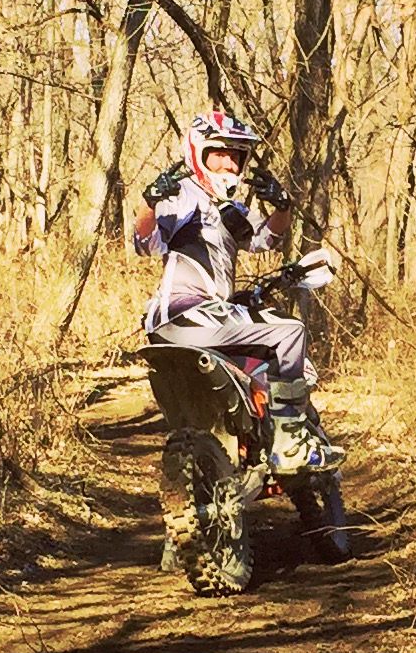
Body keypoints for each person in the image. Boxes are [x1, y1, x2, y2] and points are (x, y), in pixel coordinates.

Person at [132, 110, 340, 474]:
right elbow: (144, 242)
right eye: (219, 154)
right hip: (190, 315)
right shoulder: (183, 196)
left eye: (236, 156)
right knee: (290, 332)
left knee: (259, 346)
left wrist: (283, 207)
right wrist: (150, 203)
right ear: (198, 152)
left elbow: (265, 240)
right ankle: (290, 443)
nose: (229, 163)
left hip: (199, 320)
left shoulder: (226, 209)